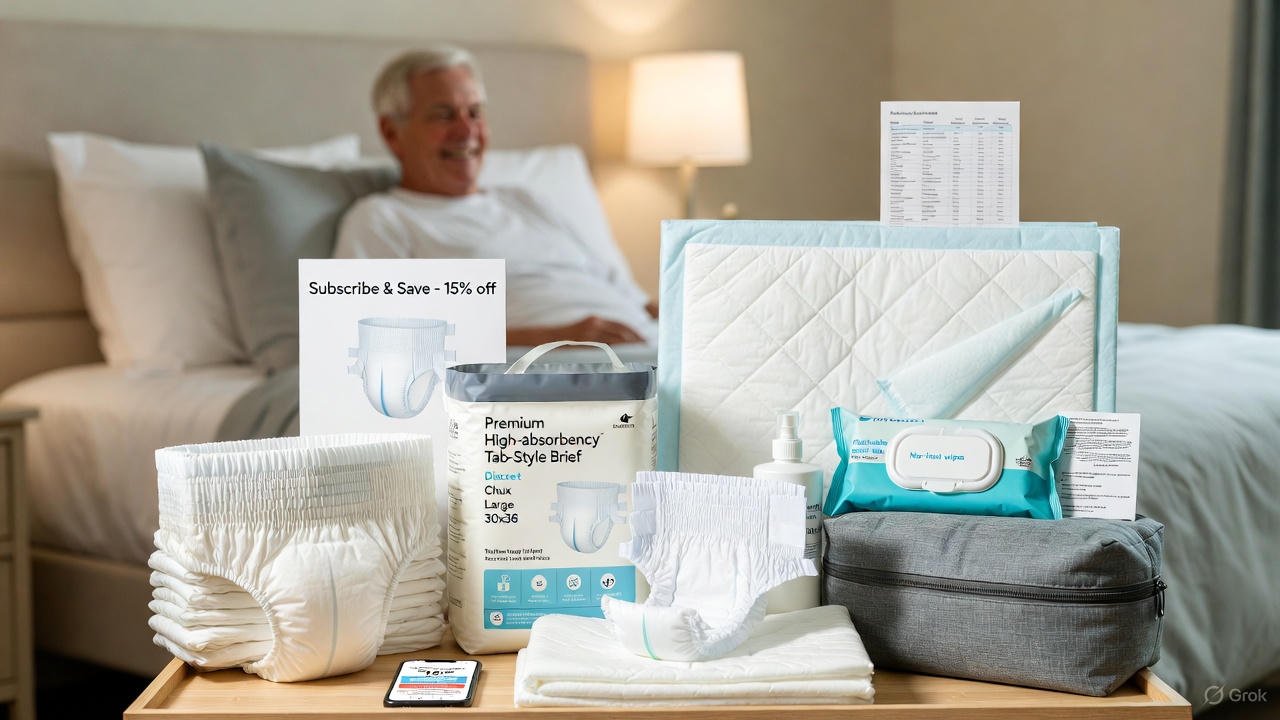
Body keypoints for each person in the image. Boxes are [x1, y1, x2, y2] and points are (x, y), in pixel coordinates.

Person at [334, 47, 657, 347]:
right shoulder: (382, 218)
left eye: (474, 113)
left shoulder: (526, 202)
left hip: (650, 353)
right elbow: (378, 337)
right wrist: (557, 338)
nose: (466, 131)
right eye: (444, 115)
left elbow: (635, 299)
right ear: (392, 133)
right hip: (547, 369)